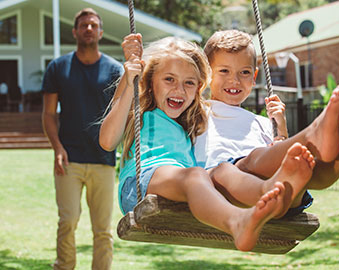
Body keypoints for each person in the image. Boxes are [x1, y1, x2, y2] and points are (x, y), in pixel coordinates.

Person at [99, 33, 317, 252]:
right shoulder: (144, 110)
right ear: (149, 80)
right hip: (140, 184)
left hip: (182, 185)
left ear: (198, 88)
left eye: (189, 83)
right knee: (196, 175)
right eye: (169, 79)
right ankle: (237, 222)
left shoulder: (191, 119)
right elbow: (107, 141)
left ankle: (268, 192)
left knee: (222, 170)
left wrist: (280, 129)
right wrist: (129, 78)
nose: (179, 89)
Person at [194, 29, 339, 217]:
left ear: (254, 77)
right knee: (250, 161)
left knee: (304, 165)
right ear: (206, 74)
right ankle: (313, 134)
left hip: (280, 196)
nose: (235, 80)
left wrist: (281, 130)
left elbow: (279, 154)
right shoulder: (198, 111)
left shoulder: (263, 122)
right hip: (229, 188)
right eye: (224, 71)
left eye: (244, 72)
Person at [41, 8, 123, 270]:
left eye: (93, 25)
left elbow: (123, 112)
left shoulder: (114, 69)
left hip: (103, 159)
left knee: (103, 229)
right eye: (83, 25)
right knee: (67, 221)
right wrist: (57, 148)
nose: (89, 29)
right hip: (69, 159)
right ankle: (64, 266)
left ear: (100, 32)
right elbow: (49, 114)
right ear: (75, 31)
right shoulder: (58, 67)